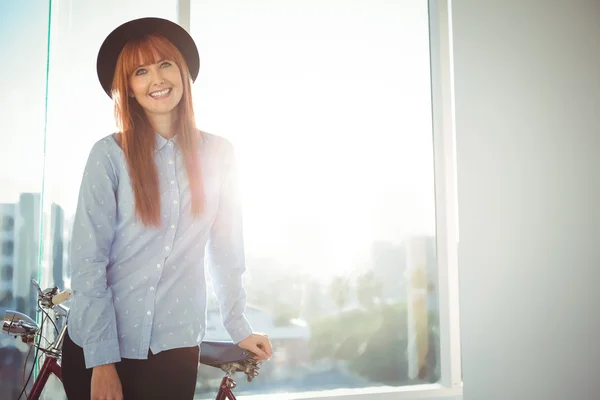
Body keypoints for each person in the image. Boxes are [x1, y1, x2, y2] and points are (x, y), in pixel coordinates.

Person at [61, 17, 272, 400]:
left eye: (164, 64)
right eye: (140, 71)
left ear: (183, 71)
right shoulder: (108, 155)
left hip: (174, 350)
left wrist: (238, 326)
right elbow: (88, 263)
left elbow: (226, 250)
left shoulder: (220, 154)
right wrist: (103, 363)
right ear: (128, 88)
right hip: (101, 348)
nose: (156, 79)